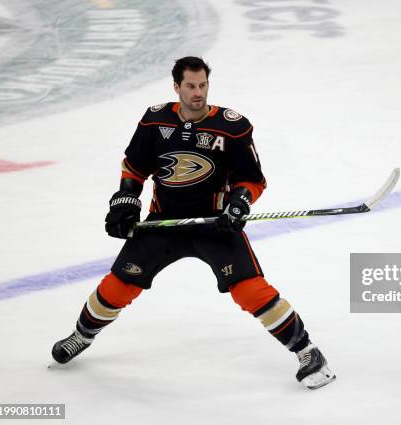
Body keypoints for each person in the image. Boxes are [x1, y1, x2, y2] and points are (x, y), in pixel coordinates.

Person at [51, 57, 335, 390]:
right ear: (176, 87)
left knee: (250, 289)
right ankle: (82, 335)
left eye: (202, 85)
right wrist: (126, 200)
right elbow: (135, 167)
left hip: (215, 225)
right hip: (163, 222)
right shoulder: (155, 121)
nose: (198, 93)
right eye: (190, 86)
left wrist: (239, 201)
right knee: (117, 286)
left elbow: (252, 179)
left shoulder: (232, 126)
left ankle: (308, 352)